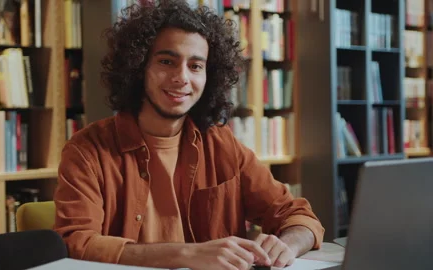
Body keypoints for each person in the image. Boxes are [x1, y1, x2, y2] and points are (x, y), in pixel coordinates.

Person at [53, 1, 325, 269]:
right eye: (166, 61)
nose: (181, 77)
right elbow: (78, 243)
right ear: (137, 68)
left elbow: (298, 216)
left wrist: (286, 245)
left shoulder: (221, 143)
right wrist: (186, 254)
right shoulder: (86, 150)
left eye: (195, 66)